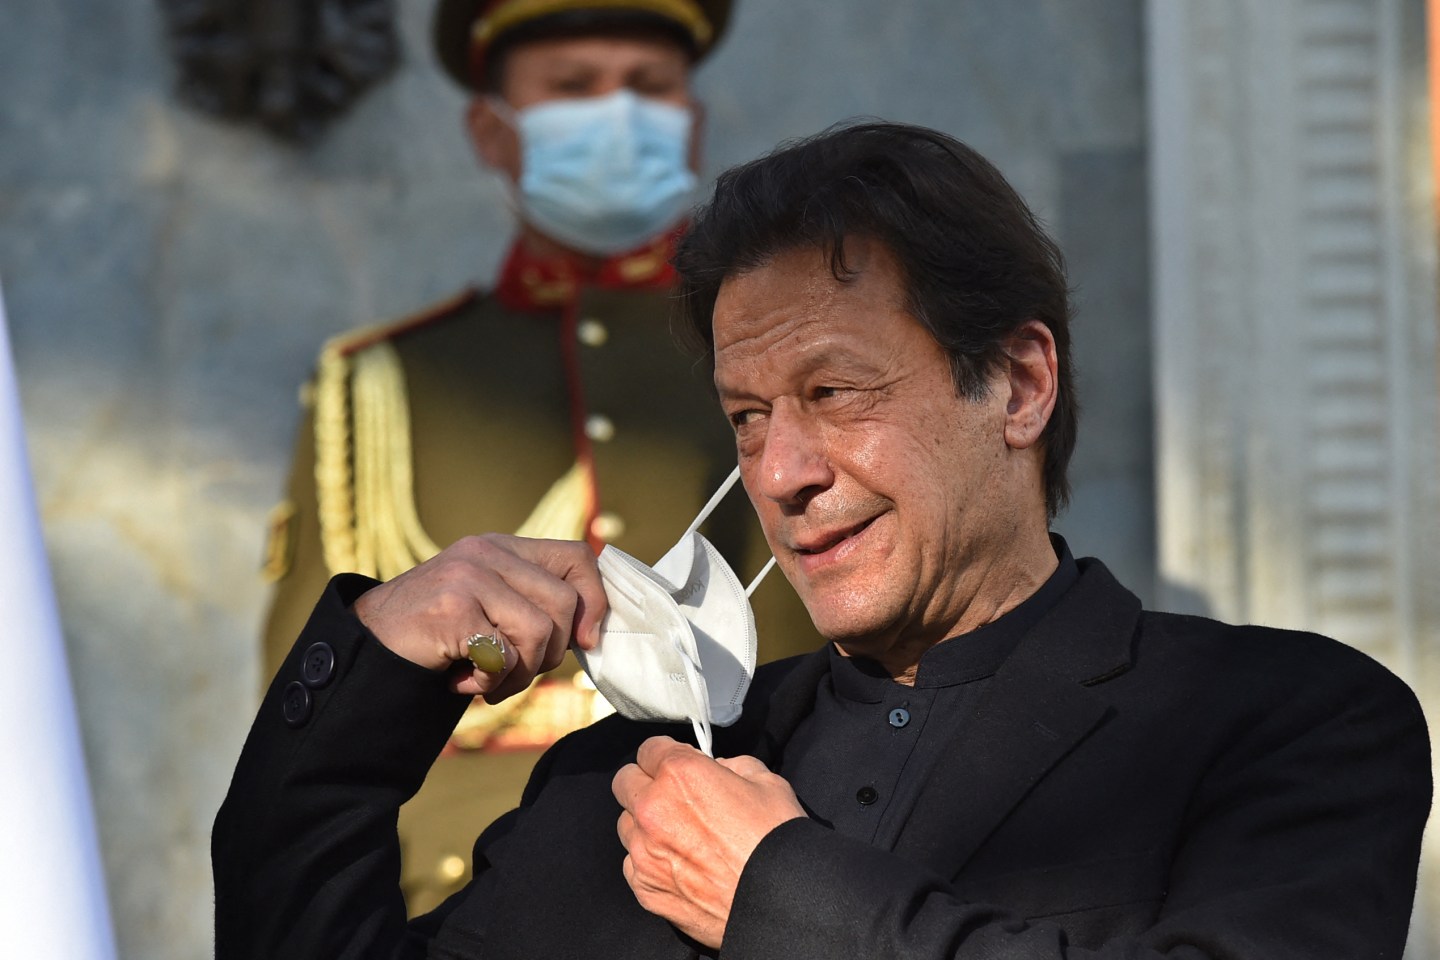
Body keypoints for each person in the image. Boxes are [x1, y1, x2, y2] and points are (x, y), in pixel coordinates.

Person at [215, 121, 1431, 958]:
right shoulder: (617, 783)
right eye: (748, 416)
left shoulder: (1288, 720)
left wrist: (778, 895)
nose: (782, 473)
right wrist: (370, 676)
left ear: (1018, 384)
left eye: (835, 393)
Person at [257, 0, 815, 912]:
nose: (617, 115)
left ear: (691, 121)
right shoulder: (388, 380)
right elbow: (311, 720)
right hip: (458, 893)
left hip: (752, 862)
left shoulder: (783, 357)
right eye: (573, 88)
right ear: (491, 131)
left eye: (648, 86)